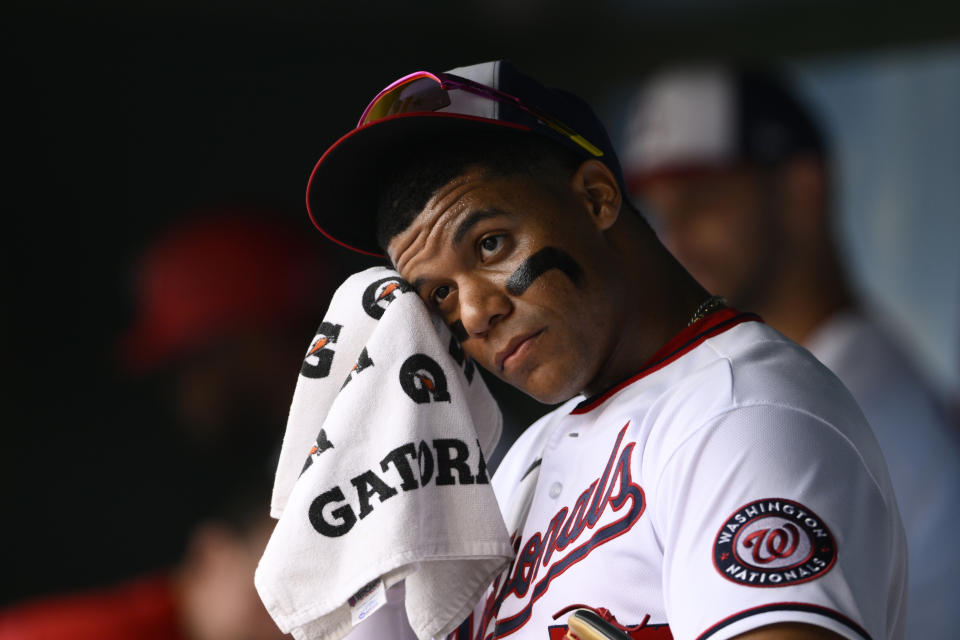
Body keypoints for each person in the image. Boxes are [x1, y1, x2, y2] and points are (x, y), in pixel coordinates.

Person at [298, 60, 907, 639]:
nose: (476, 312)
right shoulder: (526, 460)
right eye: (438, 296)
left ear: (595, 198)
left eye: (489, 245)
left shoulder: (743, 415)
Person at [620, 65, 960, 639]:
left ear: (801, 190)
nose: (673, 236)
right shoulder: (836, 371)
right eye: (660, 210)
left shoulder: (842, 401)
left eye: (701, 201)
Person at [0, 212, 328, 640]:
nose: (184, 394)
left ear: (251, 339)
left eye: (191, 363)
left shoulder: (374, 433)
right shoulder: (271, 455)